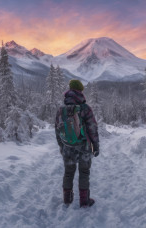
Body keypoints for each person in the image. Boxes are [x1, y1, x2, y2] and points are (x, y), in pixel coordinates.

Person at [55, 79, 100, 208]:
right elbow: (92, 128)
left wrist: (61, 146)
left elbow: (57, 129)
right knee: (84, 172)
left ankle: (67, 199)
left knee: (68, 172)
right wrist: (96, 146)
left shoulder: (61, 109)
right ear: (80, 91)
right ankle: (84, 201)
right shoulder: (85, 108)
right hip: (84, 147)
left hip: (67, 147)